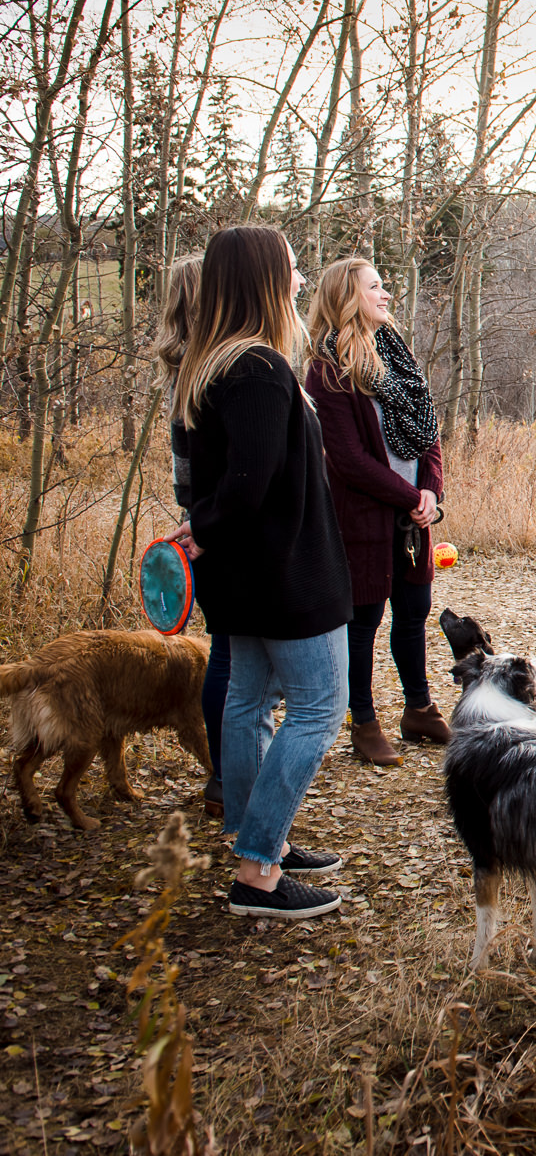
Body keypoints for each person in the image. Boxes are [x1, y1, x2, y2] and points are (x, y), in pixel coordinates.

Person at [165, 225, 352, 919]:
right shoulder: (259, 370)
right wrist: (206, 526)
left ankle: (256, 837)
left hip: (244, 578)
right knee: (318, 710)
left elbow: (226, 484)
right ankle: (258, 869)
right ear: (264, 281)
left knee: (248, 701)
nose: (300, 281)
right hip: (283, 578)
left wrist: (204, 527)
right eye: (293, 269)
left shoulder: (211, 364)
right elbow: (249, 485)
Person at [304, 257, 447, 765]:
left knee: (412, 615)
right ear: (348, 296)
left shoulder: (396, 352)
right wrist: (411, 498)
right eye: (375, 287)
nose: (386, 295)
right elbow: (347, 460)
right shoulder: (327, 368)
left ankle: (419, 710)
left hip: (413, 517)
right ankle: (362, 722)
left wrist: (430, 491)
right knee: (362, 621)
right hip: (363, 518)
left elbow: (426, 430)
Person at [155, 254, 230, 818]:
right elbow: (198, 477)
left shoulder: (188, 366)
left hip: (206, 524)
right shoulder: (200, 374)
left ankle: (225, 772)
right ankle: (226, 773)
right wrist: (208, 523)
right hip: (214, 530)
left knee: (228, 653)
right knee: (229, 658)